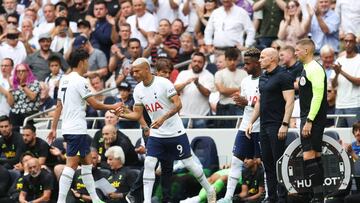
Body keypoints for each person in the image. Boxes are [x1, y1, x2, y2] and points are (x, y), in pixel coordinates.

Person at [115, 57, 216, 203]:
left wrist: (163, 118)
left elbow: (178, 104)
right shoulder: (137, 89)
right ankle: (147, 201)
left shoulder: (163, 83)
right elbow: (137, 114)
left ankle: (209, 189)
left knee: (189, 164)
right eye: (133, 71)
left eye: (137, 71)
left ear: (147, 69)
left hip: (175, 132)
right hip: (157, 133)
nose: (134, 74)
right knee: (149, 163)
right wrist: (123, 114)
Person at [47, 49, 122, 203]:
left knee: (87, 163)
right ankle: (61, 201)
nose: (88, 64)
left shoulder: (64, 79)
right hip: (76, 129)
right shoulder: (80, 81)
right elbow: (94, 104)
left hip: (69, 127)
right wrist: (113, 106)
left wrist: (54, 128)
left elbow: (59, 106)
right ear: (82, 62)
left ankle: (95, 199)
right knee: (71, 166)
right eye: (87, 61)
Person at [246, 48, 295, 203]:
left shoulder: (284, 76)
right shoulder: (263, 77)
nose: (259, 60)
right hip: (264, 126)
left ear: (272, 59)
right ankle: (271, 197)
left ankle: (282, 198)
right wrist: (251, 121)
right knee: (267, 163)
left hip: (277, 125)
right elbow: (259, 102)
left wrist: (285, 124)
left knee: (279, 162)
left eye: (262, 57)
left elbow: (290, 101)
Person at [217, 48, 262, 203]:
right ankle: (228, 197)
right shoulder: (245, 81)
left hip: (261, 127)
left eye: (248, 63)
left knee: (263, 163)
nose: (244, 67)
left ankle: (268, 195)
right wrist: (241, 103)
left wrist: (247, 102)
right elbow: (248, 106)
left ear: (257, 63)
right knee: (236, 160)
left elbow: (267, 105)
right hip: (245, 125)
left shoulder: (265, 80)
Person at [295, 38, 327, 203]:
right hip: (312, 117)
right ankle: (319, 195)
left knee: (309, 156)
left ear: (306, 51)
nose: (295, 53)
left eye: (297, 50)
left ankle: (317, 196)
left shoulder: (314, 68)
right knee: (315, 155)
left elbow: (318, 95)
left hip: (312, 118)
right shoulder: (307, 68)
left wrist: (309, 120)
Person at [175, 52, 215, 128]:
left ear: (204, 63)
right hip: (184, 115)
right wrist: (185, 83)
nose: (197, 63)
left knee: (201, 139)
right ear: (191, 62)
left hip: (201, 116)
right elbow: (175, 90)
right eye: (195, 61)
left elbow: (207, 93)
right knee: (184, 139)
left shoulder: (209, 75)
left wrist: (197, 84)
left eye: (200, 62)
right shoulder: (183, 73)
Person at [331, 33, 360, 127]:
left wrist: (341, 71)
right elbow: (334, 85)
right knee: (338, 137)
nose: (348, 44)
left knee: (355, 136)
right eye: (346, 41)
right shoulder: (339, 60)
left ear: (355, 42)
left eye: (351, 41)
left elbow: (358, 82)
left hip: (354, 104)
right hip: (339, 105)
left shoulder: (359, 59)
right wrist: (336, 74)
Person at [8, 63, 40, 131]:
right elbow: (11, 104)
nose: (20, 73)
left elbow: (33, 97)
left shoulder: (34, 82)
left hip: (29, 113)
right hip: (15, 114)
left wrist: (23, 85)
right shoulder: (14, 84)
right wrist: (10, 90)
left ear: (28, 72)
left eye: (23, 71)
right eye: (18, 71)